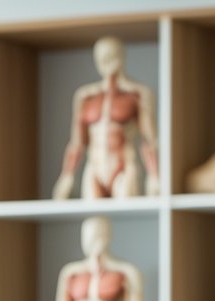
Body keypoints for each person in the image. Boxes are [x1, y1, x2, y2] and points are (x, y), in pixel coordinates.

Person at [52, 35, 160, 200]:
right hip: (94, 167)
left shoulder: (136, 94)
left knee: (126, 207)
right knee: (92, 216)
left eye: (112, 55)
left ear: (121, 56)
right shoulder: (85, 96)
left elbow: (149, 139)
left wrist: (154, 175)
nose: (106, 60)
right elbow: (77, 143)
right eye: (101, 56)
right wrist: (66, 176)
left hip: (123, 166)